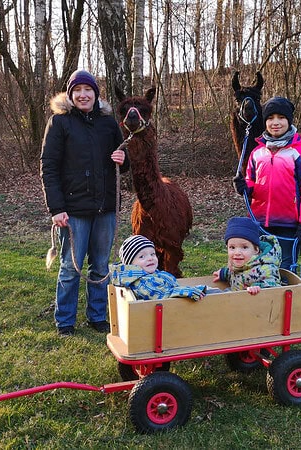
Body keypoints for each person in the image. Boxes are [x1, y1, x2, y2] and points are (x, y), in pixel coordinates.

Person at [40, 69, 129, 336]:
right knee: (70, 267)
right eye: (77, 90)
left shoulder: (108, 123)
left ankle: (97, 316)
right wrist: (56, 209)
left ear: (95, 94)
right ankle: (65, 321)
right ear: (70, 94)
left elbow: (123, 161)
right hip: (74, 209)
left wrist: (124, 161)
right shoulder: (60, 123)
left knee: (101, 267)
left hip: (105, 208)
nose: (82, 95)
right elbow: (49, 167)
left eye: (87, 90)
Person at [232, 96, 301, 271]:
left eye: (281, 117)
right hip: (260, 223)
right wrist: (245, 188)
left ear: (289, 120)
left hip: (289, 225)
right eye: (270, 118)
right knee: (259, 268)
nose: (275, 122)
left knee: (284, 269)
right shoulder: (257, 153)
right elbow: (253, 182)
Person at [110, 235, 206, 301]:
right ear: (130, 265)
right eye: (142, 257)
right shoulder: (142, 283)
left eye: (152, 254)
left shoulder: (152, 274)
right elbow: (162, 294)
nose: (150, 258)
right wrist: (187, 292)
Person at [212, 217, 281, 295]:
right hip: (238, 303)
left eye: (244, 247)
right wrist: (224, 273)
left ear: (256, 250)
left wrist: (259, 287)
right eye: (232, 247)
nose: (237, 252)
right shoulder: (240, 265)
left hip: (259, 304)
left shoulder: (266, 268)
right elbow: (237, 275)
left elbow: (273, 285)